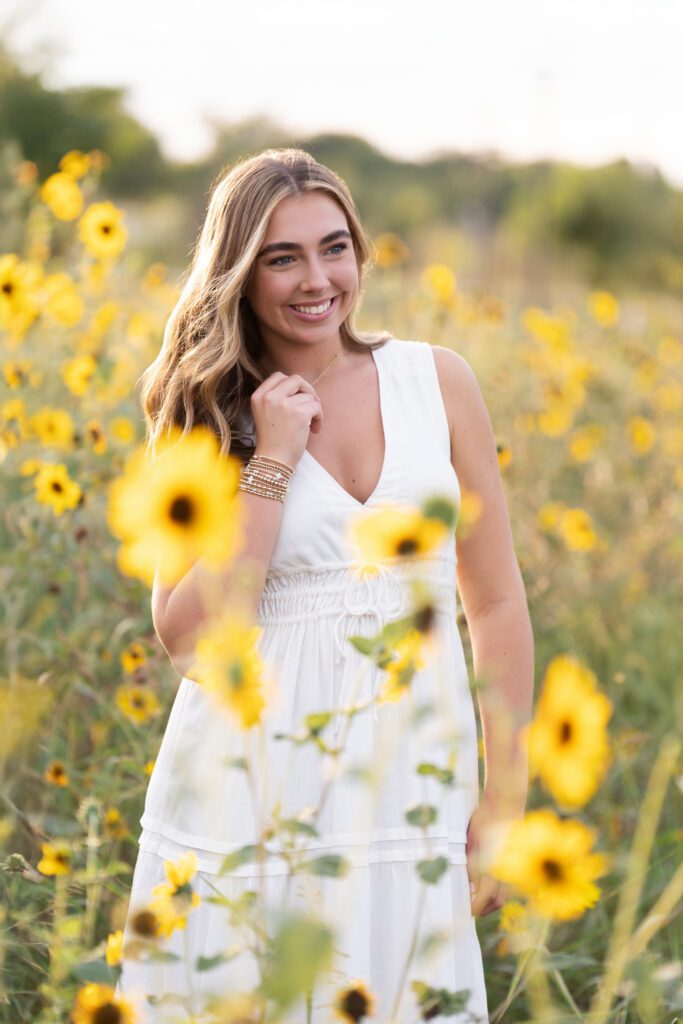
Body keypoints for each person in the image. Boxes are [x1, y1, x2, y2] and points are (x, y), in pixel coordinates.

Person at [118, 147, 534, 1023]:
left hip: (407, 787)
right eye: (282, 257)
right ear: (239, 271)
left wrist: (503, 799)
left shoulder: (438, 382)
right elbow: (189, 637)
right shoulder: (204, 411)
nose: (317, 279)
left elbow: (493, 601)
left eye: (333, 247)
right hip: (251, 791)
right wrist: (270, 460)